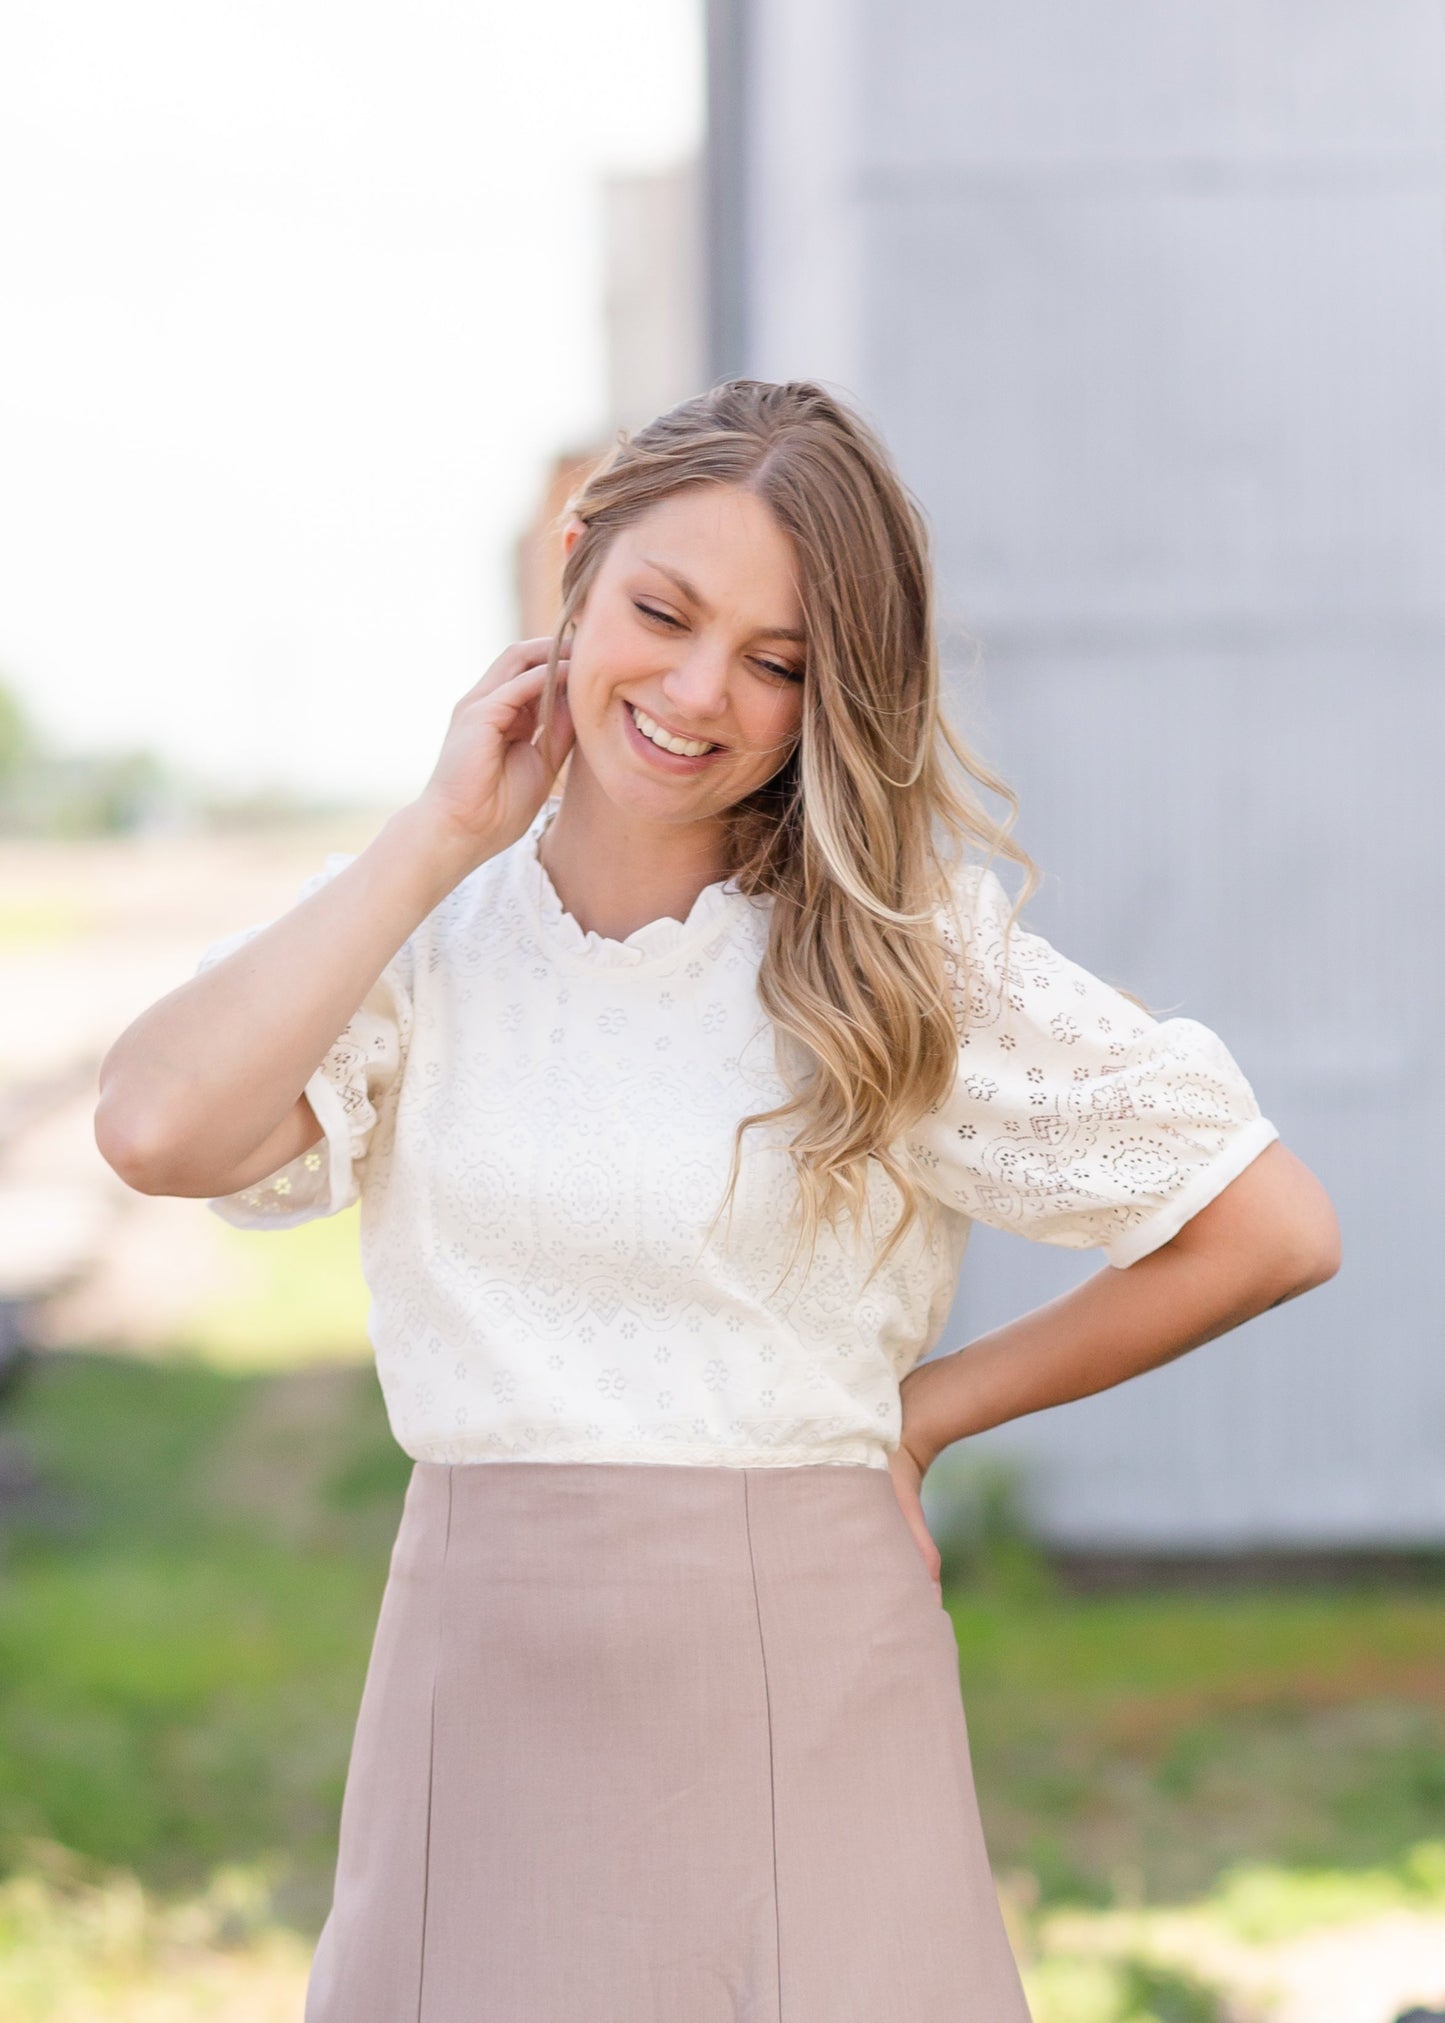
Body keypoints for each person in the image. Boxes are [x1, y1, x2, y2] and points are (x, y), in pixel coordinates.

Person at [94, 378, 1340, 2022]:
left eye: (779, 664)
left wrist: (922, 1418)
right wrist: (437, 833)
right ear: (575, 574)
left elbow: (1264, 1226)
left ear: (835, 699)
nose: (699, 694)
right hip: (479, 1677)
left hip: (802, 1662)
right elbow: (158, 1125)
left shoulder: (891, 958)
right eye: (662, 614)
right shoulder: (421, 937)